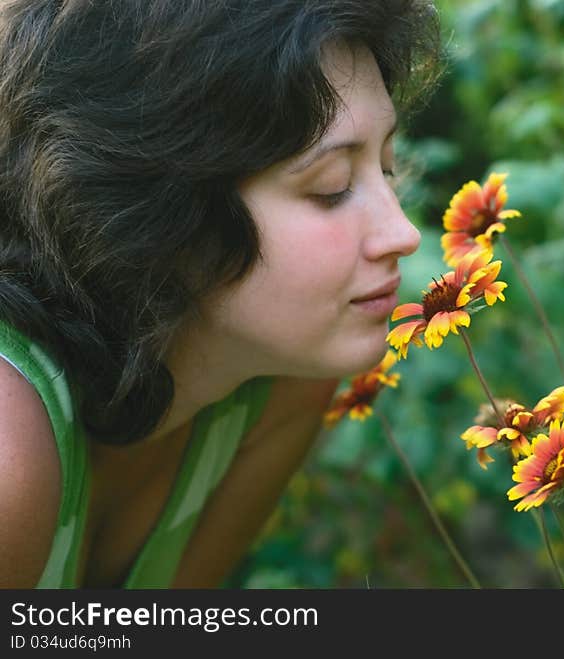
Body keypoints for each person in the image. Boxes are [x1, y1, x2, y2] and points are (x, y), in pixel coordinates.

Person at [0, 0, 441, 588]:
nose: (403, 234)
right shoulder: (8, 460)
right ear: (158, 213)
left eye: (385, 166)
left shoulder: (287, 377)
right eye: (331, 187)